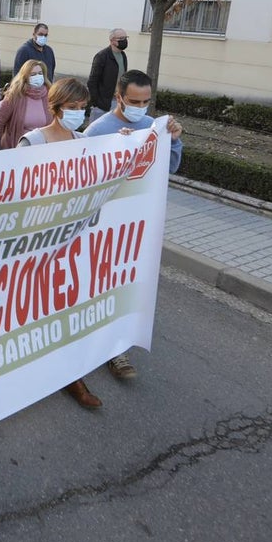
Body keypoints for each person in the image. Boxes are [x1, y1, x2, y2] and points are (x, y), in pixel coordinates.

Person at [84, 69, 183, 380]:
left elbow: (169, 168)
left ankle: (116, 347)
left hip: (133, 230)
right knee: (95, 286)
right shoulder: (99, 130)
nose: (140, 107)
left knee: (121, 286)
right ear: (118, 98)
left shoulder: (152, 128)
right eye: (133, 101)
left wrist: (174, 141)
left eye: (146, 101)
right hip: (100, 226)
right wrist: (116, 150)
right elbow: (83, 177)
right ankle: (89, 344)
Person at [14, 78, 101, 405]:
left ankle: (71, 376)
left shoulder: (83, 141)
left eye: (82, 108)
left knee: (67, 308)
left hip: (71, 243)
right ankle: (24, 370)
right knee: (30, 308)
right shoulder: (32, 143)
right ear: (56, 107)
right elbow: (12, 190)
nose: (78, 114)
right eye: (72, 108)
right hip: (34, 242)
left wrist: (126, 146)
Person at [0, 60, 51, 150]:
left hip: (41, 151)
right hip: (15, 149)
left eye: (40, 73)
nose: (37, 76)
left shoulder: (49, 95)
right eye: (33, 74)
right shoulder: (13, 96)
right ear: (25, 77)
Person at [87, 28, 129, 122]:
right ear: (112, 40)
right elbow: (92, 82)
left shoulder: (123, 55)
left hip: (117, 101)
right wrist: (97, 102)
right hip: (102, 104)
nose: (124, 41)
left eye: (126, 37)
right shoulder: (102, 56)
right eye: (121, 38)